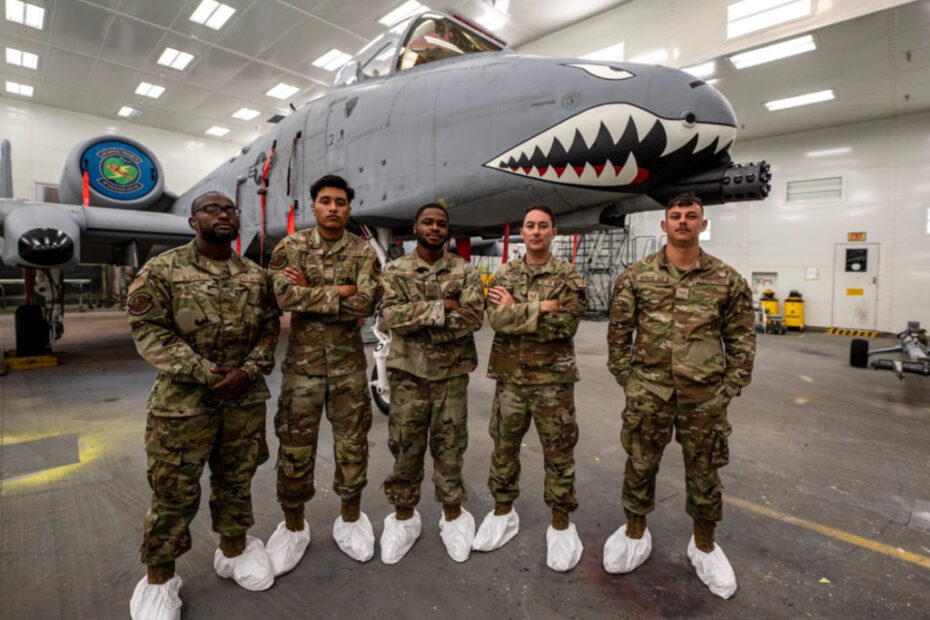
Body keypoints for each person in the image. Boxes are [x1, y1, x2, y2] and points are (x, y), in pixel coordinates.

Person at [127, 191, 280, 619]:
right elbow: (149, 330)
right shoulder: (162, 270)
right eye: (212, 209)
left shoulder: (255, 274)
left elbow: (270, 330)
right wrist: (205, 372)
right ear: (193, 221)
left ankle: (234, 550)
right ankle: (159, 579)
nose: (224, 214)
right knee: (173, 491)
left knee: (236, 480)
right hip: (182, 403)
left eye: (230, 209)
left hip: (243, 399)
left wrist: (248, 372)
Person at [604, 192, 756, 598]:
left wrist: (728, 388)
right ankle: (635, 533)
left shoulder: (727, 280)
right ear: (663, 225)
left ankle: (704, 545)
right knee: (640, 464)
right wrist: (629, 380)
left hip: (704, 398)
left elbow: (742, 340)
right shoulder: (636, 276)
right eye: (675, 216)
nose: (683, 222)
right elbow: (618, 334)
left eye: (691, 216)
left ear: (703, 225)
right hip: (648, 393)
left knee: (705, 472)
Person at [264, 174, 382, 572]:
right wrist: (340, 292)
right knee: (295, 447)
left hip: (349, 367)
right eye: (326, 201)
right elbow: (281, 295)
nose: (334, 208)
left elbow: (366, 302)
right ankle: (293, 526)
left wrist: (312, 293)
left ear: (349, 209)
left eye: (341, 202)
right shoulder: (291, 246)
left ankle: (351, 518)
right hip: (303, 368)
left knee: (353, 444)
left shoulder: (363, 252)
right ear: (312, 206)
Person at [473, 204, 587, 572]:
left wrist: (519, 308)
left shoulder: (569, 274)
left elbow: (566, 327)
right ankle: (503, 511)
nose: (536, 232)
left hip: (554, 382)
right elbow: (497, 320)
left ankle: (560, 523)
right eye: (529, 226)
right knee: (503, 449)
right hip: (511, 380)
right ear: (522, 233)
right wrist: (544, 306)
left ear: (554, 232)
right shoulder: (505, 271)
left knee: (559, 453)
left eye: (543, 226)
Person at [377, 203, 485, 564]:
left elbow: (472, 318)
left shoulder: (464, 270)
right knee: (405, 448)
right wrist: (443, 307)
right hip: (408, 376)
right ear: (416, 227)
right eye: (428, 222)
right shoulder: (395, 270)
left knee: (451, 448)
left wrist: (421, 316)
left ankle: (452, 515)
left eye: (441, 223)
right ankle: (403, 517)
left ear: (447, 230)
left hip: (451, 377)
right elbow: (391, 316)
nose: (435, 227)